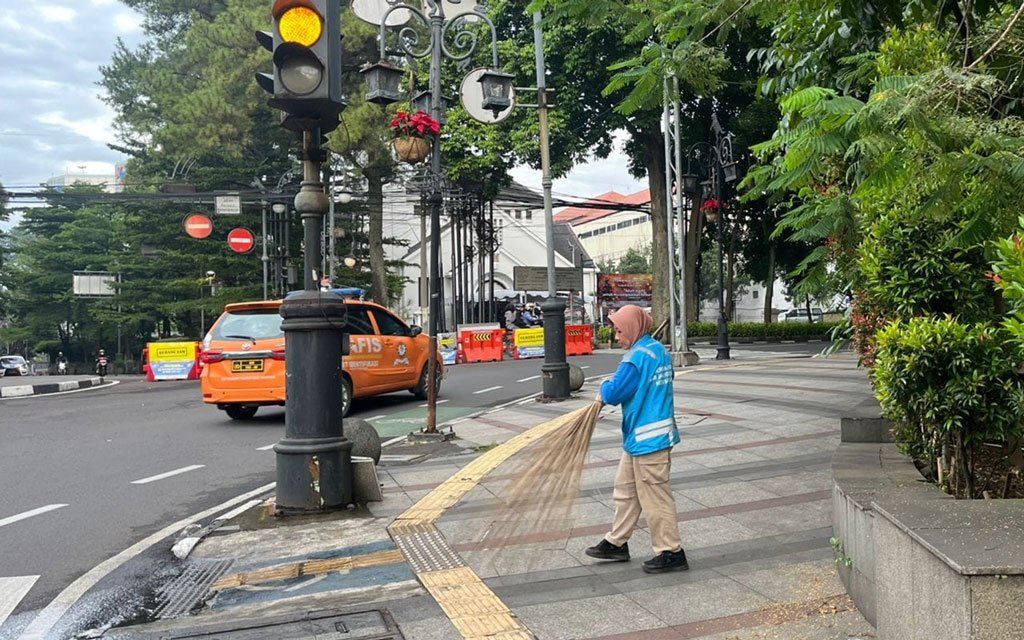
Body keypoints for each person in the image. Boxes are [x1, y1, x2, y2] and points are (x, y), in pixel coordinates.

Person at [586, 304, 688, 574]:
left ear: (632, 328)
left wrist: (604, 385)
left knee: (656, 498)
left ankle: (671, 552)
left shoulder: (636, 358)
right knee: (626, 491)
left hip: (648, 442)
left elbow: (613, 393)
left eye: (619, 331)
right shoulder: (657, 351)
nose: (616, 337)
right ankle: (617, 542)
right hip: (643, 439)